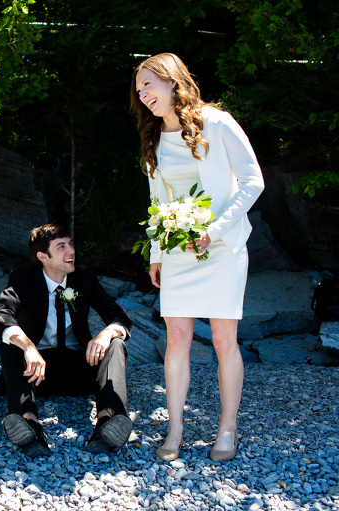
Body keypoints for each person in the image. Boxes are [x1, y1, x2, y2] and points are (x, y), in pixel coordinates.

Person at [130, 53, 265, 462]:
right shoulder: (154, 138)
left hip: (221, 249)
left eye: (148, 84)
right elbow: (158, 200)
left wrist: (215, 230)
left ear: (172, 81)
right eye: (139, 90)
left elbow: (253, 182)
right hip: (177, 253)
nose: (143, 95)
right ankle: (175, 431)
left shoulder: (217, 123)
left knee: (224, 340)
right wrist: (156, 252)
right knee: (177, 340)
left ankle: (227, 430)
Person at [0, 224, 133, 458]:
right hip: (36, 374)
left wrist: (105, 334)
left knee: (116, 342)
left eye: (71, 244)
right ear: (42, 256)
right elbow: (0, 313)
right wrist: (28, 347)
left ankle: (109, 419)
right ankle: (28, 423)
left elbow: (119, 316)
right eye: (62, 247)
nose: (71, 251)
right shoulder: (22, 279)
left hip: (81, 371)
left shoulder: (85, 277)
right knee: (10, 342)